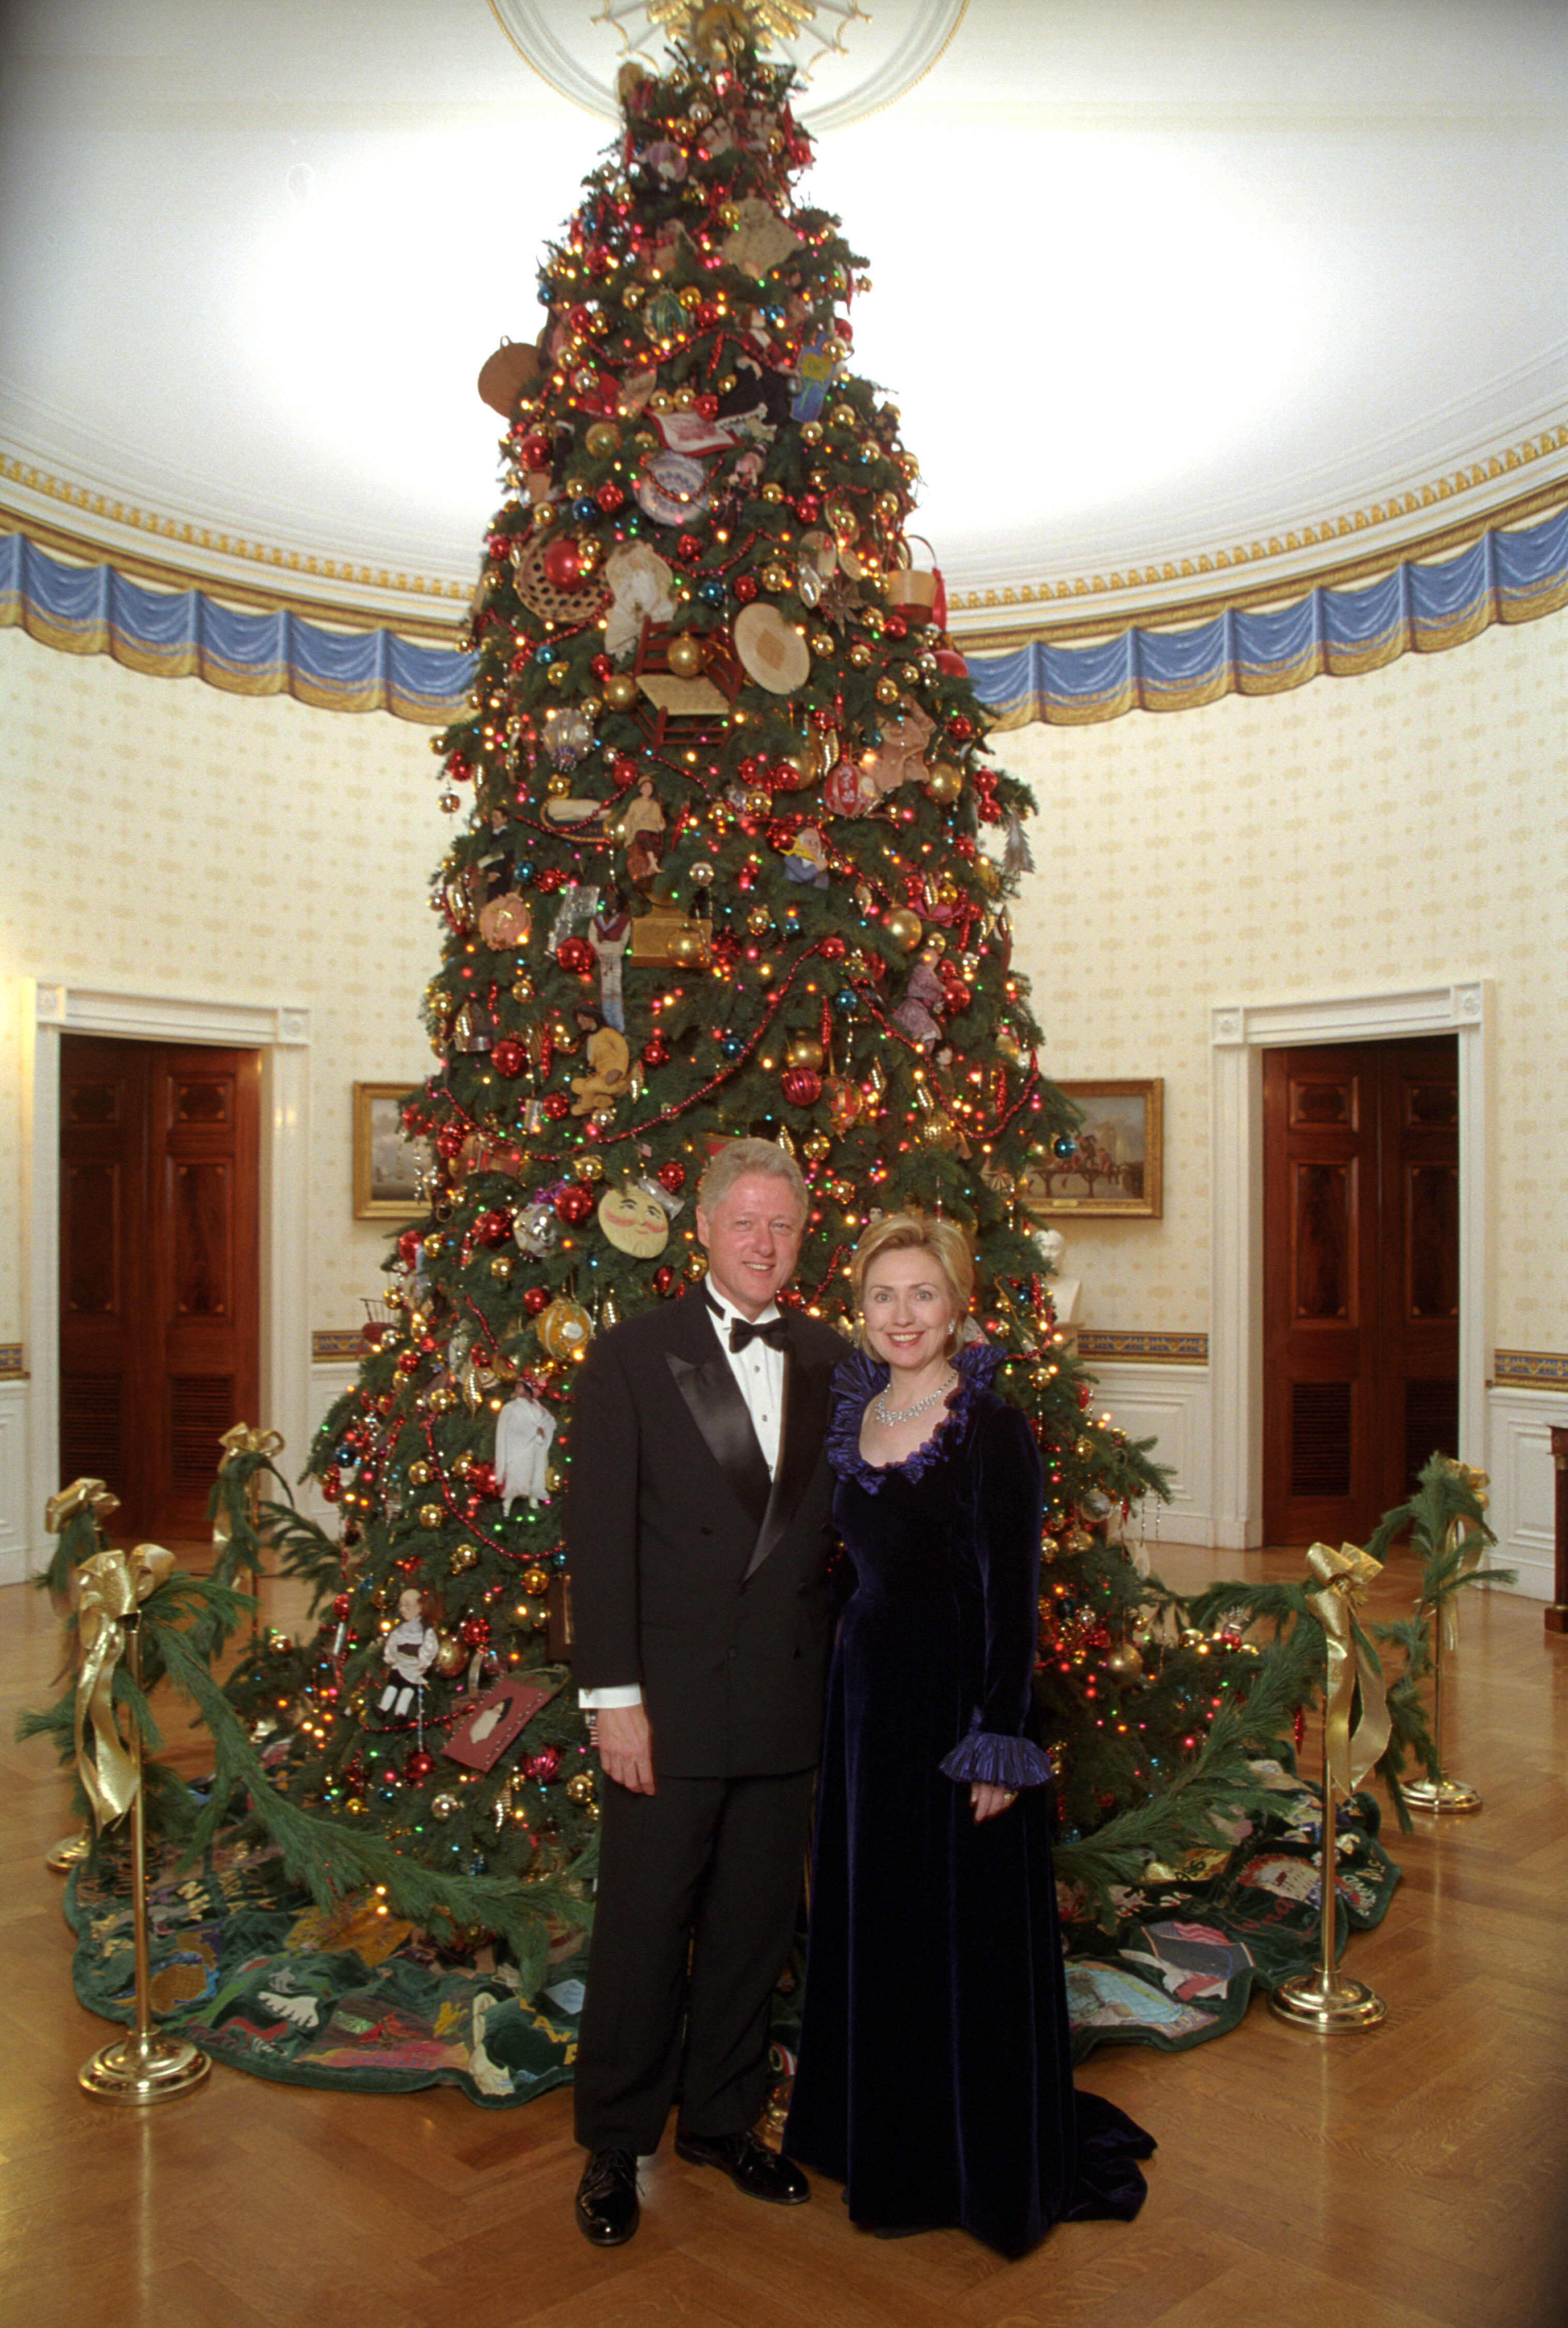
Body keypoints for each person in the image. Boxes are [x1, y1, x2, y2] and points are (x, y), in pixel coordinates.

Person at [783, 1211, 1155, 2257]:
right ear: (861, 1310)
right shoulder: (850, 1409)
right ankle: (879, 2141)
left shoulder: (989, 1426)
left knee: (954, 1934)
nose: (902, 1316)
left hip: (954, 1714)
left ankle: (961, 2159)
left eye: (922, 1295)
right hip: (866, 1708)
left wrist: (999, 1736)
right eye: (883, 1297)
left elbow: (1012, 1592)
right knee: (876, 1922)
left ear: (955, 1307)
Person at [565, 1138, 846, 2247]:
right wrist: (612, 1699)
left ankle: (723, 2118)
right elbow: (598, 1546)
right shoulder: (632, 1357)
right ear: (704, 1229)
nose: (765, 1245)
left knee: (749, 1926)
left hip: (786, 1693)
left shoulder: (836, 1358)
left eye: (782, 1225)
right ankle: (614, 2140)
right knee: (643, 1929)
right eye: (746, 1223)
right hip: (666, 1701)